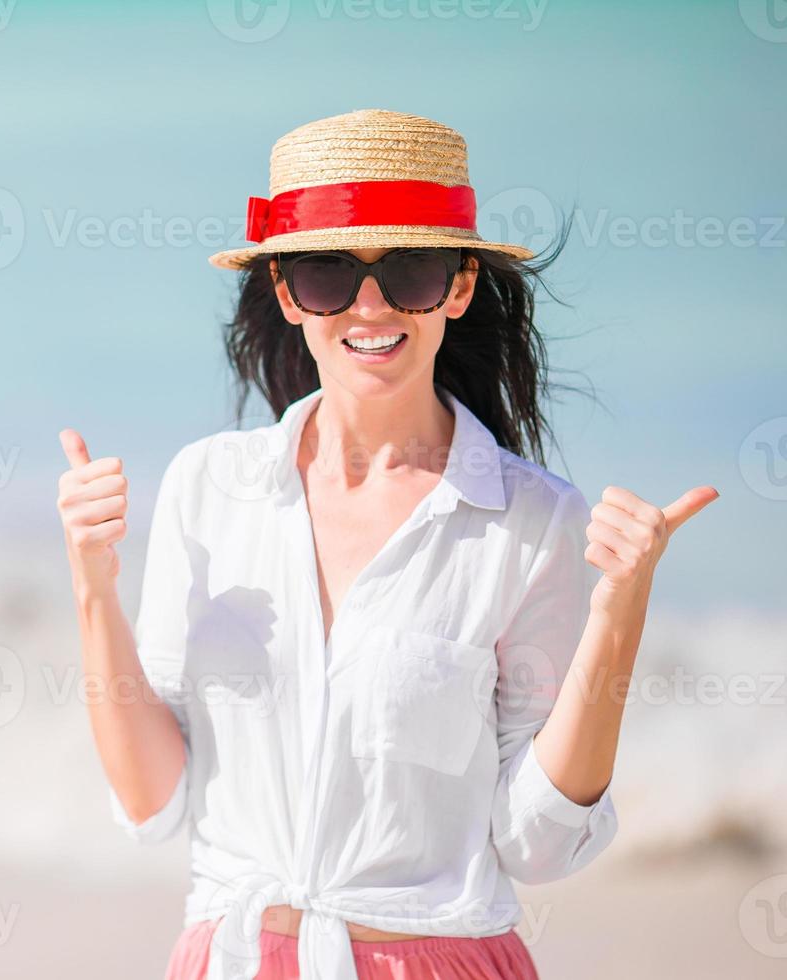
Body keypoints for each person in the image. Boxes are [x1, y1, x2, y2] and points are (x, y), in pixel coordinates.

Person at [54, 109, 718, 980]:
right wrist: (93, 588)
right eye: (329, 273)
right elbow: (153, 801)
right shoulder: (206, 489)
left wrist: (618, 616)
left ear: (459, 286)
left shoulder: (532, 521)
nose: (370, 306)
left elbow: (538, 845)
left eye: (408, 269)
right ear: (289, 294)